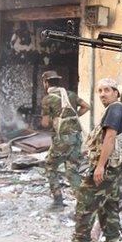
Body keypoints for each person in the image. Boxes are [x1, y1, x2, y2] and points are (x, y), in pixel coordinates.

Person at [66, 78, 122, 242]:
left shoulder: (115, 109)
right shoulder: (117, 109)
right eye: (100, 90)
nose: (102, 94)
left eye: (107, 90)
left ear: (117, 93)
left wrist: (100, 166)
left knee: (86, 202)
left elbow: (109, 137)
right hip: (115, 165)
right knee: (108, 204)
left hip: (107, 166)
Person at [40, 70, 89, 210]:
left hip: (62, 140)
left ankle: (58, 201)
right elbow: (87, 106)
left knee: (50, 167)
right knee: (72, 171)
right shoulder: (71, 95)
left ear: (46, 82)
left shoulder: (48, 99)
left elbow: (44, 123)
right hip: (76, 137)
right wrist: (72, 118)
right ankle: (84, 206)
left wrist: (56, 120)